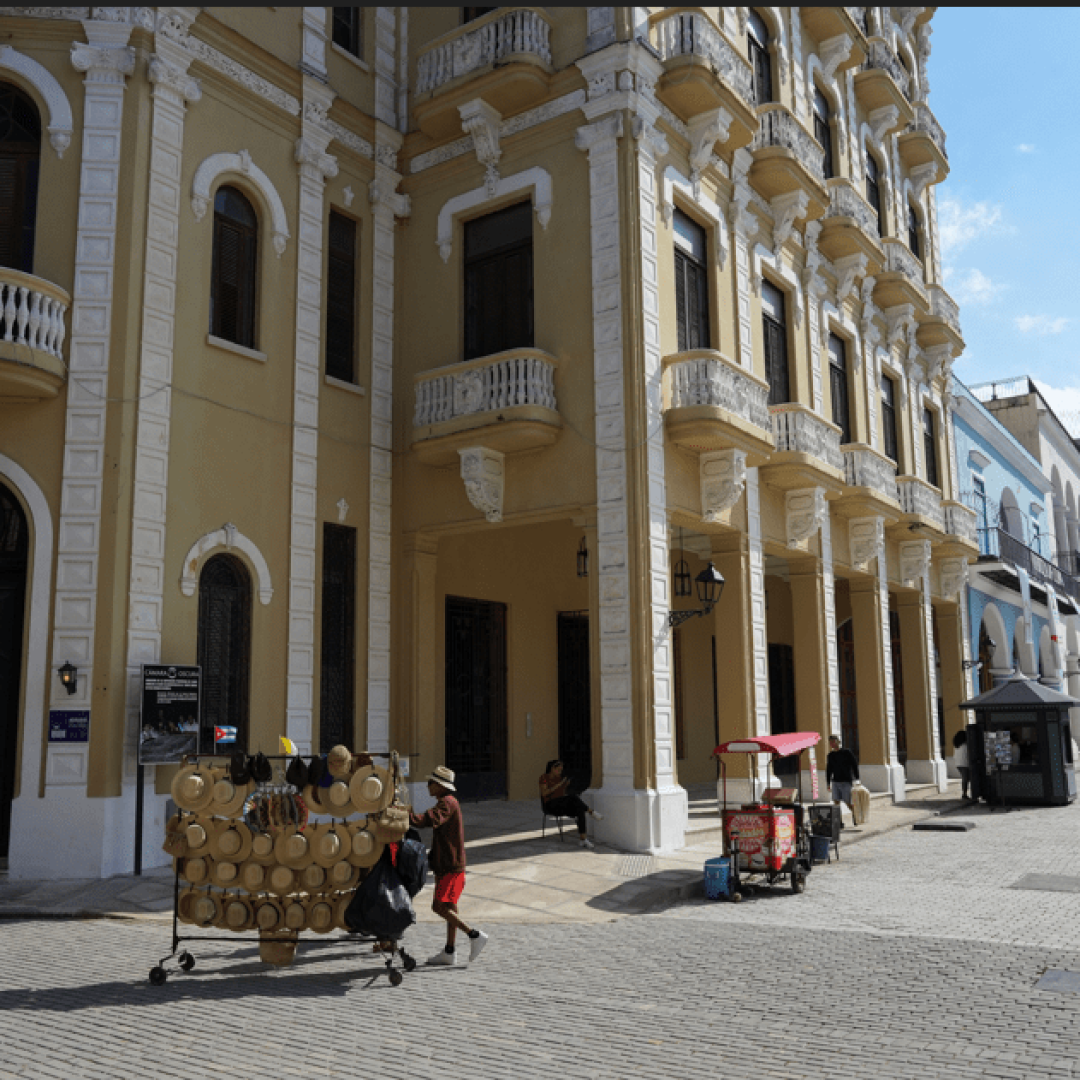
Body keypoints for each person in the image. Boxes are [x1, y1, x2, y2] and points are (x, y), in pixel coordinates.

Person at [408, 765, 488, 967]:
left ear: (440, 786)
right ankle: (449, 951)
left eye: (431, 783)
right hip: (447, 863)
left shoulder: (447, 803)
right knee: (451, 907)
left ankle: (474, 935)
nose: (428, 786)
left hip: (451, 865)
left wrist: (406, 816)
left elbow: (430, 819)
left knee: (439, 906)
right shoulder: (447, 802)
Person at [539, 759, 603, 849]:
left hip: (560, 804)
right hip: (550, 805)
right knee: (573, 797)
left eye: (561, 770)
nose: (560, 772)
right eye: (558, 770)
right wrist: (559, 784)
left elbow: (562, 794)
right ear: (552, 768)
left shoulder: (560, 778)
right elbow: (544, 793)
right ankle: (591, 811)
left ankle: (583, 839)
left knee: (580, 810)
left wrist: (565, 785)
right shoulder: (544, 778)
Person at [825, 735, 859, 822]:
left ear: (838, 741)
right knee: (836, 802)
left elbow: (854, 765)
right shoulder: (830, 755)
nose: (832, 743)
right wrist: (828, 783)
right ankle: (839, 822)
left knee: (847, 802)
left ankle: (855, 816)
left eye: (833, 741)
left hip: (846, 781)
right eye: (830, 742)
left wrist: (857, 778)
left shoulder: (847, 752)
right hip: (835, 782)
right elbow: (829, 770)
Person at [952, 729, 971, 799]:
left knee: (965, 778)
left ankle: (964, 793)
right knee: (966, 779)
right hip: (965, 764)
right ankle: (964, 794)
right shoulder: (965, 745)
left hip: (958, 764)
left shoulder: (957, 745)